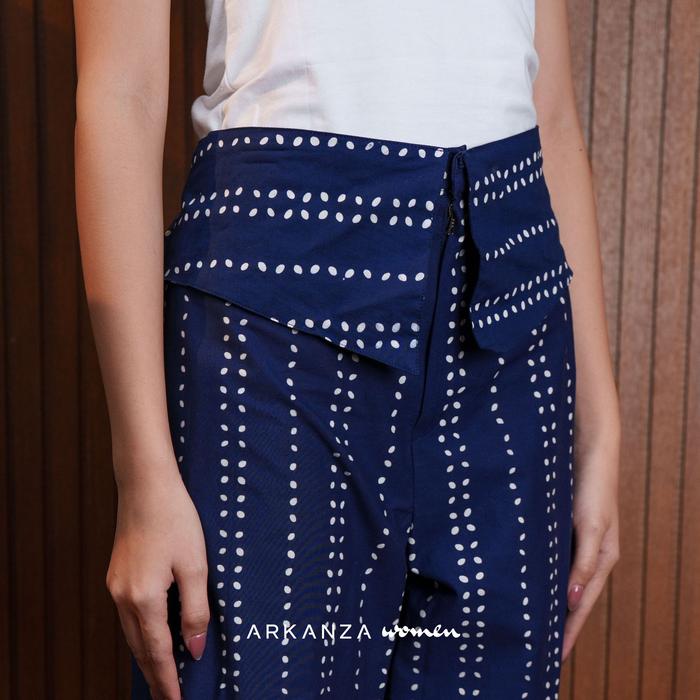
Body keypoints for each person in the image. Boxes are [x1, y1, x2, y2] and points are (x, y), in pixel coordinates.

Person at [73, 1, 621, 698]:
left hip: (513, 316)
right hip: (276, 314)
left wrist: (601, 431)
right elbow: (122, 93)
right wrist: (143, 472)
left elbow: (554, 116)